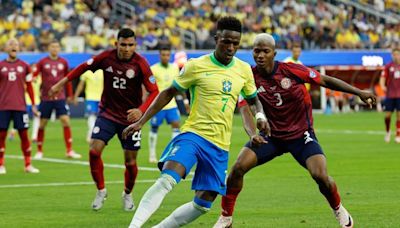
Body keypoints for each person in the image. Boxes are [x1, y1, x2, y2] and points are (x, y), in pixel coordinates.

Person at [213, 33, 376, 228]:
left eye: (265, 51)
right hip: (271, 136)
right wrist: (252, 134)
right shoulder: (250, 76)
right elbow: (245, 108)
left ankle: (339, 209)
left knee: (321, 176)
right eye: (257, 51)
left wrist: (358, 92)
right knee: (237, 168)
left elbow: (325, 80)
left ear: (274, 53)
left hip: (301, 134)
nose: (261, 55)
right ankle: (226, 218)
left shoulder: (291, 70)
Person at [122, 16, 268, 228]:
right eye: (226, 41)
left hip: (220, 145)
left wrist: (260, 118)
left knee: (203, 205)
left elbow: (253, 101)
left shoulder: (244, 69)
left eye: (235, 43)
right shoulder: (196, 65)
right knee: (167, 180)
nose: (231, 47)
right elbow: (169, 92)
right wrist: (141, 121)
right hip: (194, 135)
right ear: (216, 38)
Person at [49, 28, 159, 211]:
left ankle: (128, 193)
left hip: (130, 119)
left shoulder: (141, 63)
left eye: (130, 45)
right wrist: (60, 84)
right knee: (94, 151)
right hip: (107, 114)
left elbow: (155, 91)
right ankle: (101, 190)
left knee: (130, 162)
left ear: (135, 45)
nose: (126, 48)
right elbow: (83, 67)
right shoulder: (105, 57)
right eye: (123, 44)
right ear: (116, 44)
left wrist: (141, 111)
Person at [32, 40, 81, 159]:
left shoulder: (63, 62)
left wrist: (70, 95)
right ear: (49, 48)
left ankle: (69, 150)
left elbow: (68, 79)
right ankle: (39, 151)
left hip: (60, 97)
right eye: (52, 47)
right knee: (42, 124)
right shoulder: (42, 62)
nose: (55, 49)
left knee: (65, 120)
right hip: (46, 98)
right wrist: (33, 77)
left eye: (57, 47)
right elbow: (35, 74)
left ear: (59, 49)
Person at [0, 38, 40, 174]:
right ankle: (1, 165)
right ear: (5, 48)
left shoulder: (25, 66)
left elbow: (29, 87)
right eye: (11, 44)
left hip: (20, 106)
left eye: (16, 44)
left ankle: (28, 164)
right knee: (1, 136)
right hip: (3, 106)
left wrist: (33, 104)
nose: (14, 46)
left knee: (24, 135)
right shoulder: (0, 65)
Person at [148, 44, 189, 163]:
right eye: (163, 55)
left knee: (176, 126)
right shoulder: (153, 69)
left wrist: (185, 101)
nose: (165, 57)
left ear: (170, 56)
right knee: (154, 128)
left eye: (167, 55)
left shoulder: (174, 68)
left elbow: (179, 86)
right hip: (158, 106)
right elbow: (149, 87)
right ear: (159, 55)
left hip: (172, 105)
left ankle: (172, 154)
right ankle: (152, 154)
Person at [73, 68, 104, 143]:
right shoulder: (87, 71)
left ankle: (98, 133)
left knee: (100, 117)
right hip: (90, 97)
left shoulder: (103, 71)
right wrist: (76, 96)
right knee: (91, 115)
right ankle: (91, 133)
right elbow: (81, 85)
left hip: (101, 97)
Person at [380, 47, 400, 143]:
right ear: (392, 55)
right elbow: (383, 77)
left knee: (399, 115)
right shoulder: (388, 66)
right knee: (387, 115)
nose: (396, 56)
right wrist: (382, 86)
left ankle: (398, 133)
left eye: (397, 54)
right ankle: (387, 132)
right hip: (390, 94)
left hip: (399, 95)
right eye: (394, 54)